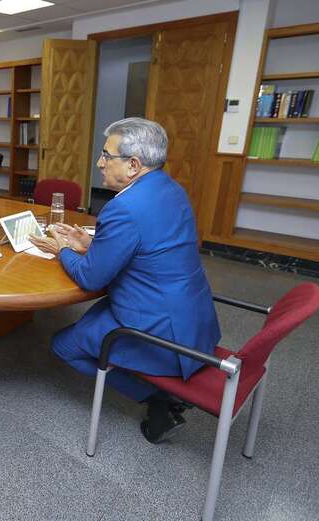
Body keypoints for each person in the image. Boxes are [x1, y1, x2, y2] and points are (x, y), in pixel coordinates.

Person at [29, 117, 220, 444]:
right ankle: (153, 388)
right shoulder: (171, 189)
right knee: (91, 322)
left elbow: (91, 277)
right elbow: (149, 247)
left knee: (63, 345)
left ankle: (157, 398)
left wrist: (62, 249)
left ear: (133, 165)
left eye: (106, 155)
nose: (100, 163)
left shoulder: (124, 208)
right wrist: (90, 244)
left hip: (158, 329)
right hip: (194, 317)